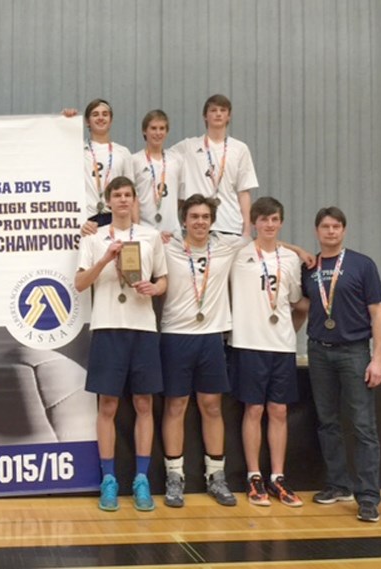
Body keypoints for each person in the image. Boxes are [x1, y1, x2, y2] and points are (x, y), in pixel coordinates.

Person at [75, 176, 167, 512]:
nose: (123, 200)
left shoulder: (151, 236)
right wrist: (104, 259)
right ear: (108, 201)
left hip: (142, 327)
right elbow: (80, 284)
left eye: (128, 195)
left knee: (144, 405)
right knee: (108, 407)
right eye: (117, 195)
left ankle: (141, 479)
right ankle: (109, 479)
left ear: (134, 200)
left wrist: (155, 289)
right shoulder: (94, 238)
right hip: (108, 327)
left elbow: (163, 279)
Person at [160, 194, 249, 508]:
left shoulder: (226, 247)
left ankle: (216, 475)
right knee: (176, 405)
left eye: (205, 217)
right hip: (175, 335)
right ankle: (174, 477)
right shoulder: (166, 245)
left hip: (211, 336)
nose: (199, 221)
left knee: (212, 406)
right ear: (184, 219)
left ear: (212, 221)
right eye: (194, 216)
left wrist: (300, 251)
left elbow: (268, 242)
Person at [301, 206, 381, 523]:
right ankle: (338, 485)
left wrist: (377, 359)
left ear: (344, 230)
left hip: (354, 352)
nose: (331, 231)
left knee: (364, 426)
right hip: (319, 351)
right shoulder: (308, 267)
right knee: (327, 422)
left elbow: (377, 313)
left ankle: (368, 498)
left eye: (336, 226)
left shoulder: (362, 265)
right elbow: (303, 307)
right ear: (317, 231)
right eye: (325, 226)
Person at [229, 197, 305, 507]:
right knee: (254, 410)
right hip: (248, 344)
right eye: (264, 220)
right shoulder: (238, 253)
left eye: (274, 219)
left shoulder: (290, 259)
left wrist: (290, 333)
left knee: (279, 411)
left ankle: (277, 478)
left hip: (281, 346)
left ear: (281, 222)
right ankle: (253, 476)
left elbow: (298, 303)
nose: (269, 225)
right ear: (255, 222)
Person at [176, 94, 257, 236]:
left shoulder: (240, 148)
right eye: (213, 110)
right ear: (205, 116)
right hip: (197, 224)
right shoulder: (188, 146)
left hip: (230, 224)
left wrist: (247, 228)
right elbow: (160, 160)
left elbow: (244, 191)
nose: (218, 114)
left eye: (223, 110)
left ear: (229, 116)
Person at [78, 99, 134, 233]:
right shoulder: (78, 149)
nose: (101, 118)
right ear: (87, 121)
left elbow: (131, 192)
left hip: (116, 219)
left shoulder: (122, 152)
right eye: (95, 114)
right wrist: (66, 119)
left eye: (105, 114)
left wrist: (134, 227)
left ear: (111, 120)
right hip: (87, 222)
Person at [132, 110, 182, 236]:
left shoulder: (176, 160)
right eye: (153, 128)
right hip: (145, 230)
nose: (158, 133)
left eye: (162, 128)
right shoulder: (134, 160)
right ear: (144, 131)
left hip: (172, 232)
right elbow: (132, 199)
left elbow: (181, 197)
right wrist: (137, 229)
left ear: (166, 131)